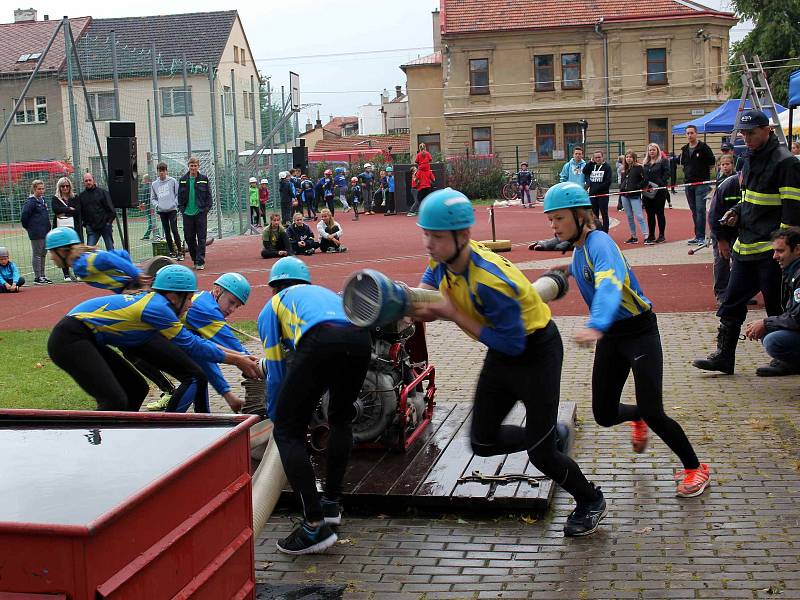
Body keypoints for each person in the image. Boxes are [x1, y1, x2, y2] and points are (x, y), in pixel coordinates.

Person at [409, 187, 607, 537]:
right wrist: (414, 306)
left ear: (463, 236)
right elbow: (428, 288)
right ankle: (549, 434)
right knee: (482, 443)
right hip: (503, 354)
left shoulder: (490, 282)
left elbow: (511, 343)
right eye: (425, 234)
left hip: (534, 352)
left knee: (541, 455)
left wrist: (451, 312)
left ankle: (590, 499)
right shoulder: (443, 257)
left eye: (436, 236)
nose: (428, 243)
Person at [544, 181, 711, 498]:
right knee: (604, 415)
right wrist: (565, 270)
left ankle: (695, 468)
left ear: (581, 215)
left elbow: (609, 285)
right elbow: (587, 268)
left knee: (656, 411)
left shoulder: (600, 242)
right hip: (612, 336)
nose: (553, 226)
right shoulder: (581, 249)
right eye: (550, 219)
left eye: (559, 218)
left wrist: (595, 323)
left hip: (639, 332)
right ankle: (638, 417)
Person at [258, 256, 372, 554]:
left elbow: (276, 368)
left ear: (274, 287)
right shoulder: (323, 293)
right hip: (361, 338)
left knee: (287, 432)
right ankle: (331, 503)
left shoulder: (274, 305)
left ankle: (313, 526)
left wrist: (277, 414)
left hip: (321, 340)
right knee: (340, 417)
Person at [48, 264, 260, 412]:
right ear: (173, 297)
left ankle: (122, 442)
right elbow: (194, 346)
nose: (191, 304)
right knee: (114, 400)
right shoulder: (158, 309)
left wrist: (238, 360)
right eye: (188, 298)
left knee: (137, 389)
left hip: (91, 338)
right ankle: (92, 447)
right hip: (71, 338)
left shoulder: (161, 304)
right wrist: (238, 359)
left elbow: (202, 350)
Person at [694, 110, 800, 375]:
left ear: (768, 131)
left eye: (751, 133)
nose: (746, 138)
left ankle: (785, 358)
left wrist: (785, 251)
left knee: (777, 305)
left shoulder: (786, 163)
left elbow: (792, 212)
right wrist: (736, 212)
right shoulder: (749, 159)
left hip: (770, 251)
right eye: (743, 133)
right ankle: (724, 356)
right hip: (745, 246)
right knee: (731, 303)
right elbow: (749, 198)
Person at [147, 272, 252, 412]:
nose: (232, 309)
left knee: (199, 370)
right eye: (231, 302)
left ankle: (203, 418)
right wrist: (263, 368)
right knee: (194, 377)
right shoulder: (207, 310)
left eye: (237, 306)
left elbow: (206, 357)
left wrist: (228, 395)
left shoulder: (205, 300)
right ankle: (169, 426)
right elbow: (236, 349)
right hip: (145, 343)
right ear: (217, 290)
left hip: (149, 343)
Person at [743, 227, 800, 376]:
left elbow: (797, 317)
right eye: (774, 251)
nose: (775, 256)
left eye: (780, 251)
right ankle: (791, 364)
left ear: (797, 250)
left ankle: (794, 364)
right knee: (766, 332)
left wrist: (766, 322)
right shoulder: (792, 270)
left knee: (773, 341)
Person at [45, 227, 145, 293]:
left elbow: (107, 258)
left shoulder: (82, 265)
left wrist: (137, 276)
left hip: (140, 287)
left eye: (52, 253)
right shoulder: (82, 261)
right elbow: (123, 254)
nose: (51, 257)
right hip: (134, 287)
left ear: (62, 251)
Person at [708, 156, 740, 305]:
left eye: (728, 164)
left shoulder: (750, 185)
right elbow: (713, 216)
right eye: (723, 165)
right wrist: (721, 240)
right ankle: (722, 293)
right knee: (722, 259)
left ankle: (739, 291)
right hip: (721, 227)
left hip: (739, 229)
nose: (725, 167)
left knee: (740, 260)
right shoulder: (725, 185)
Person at [679, 125, 716, 245]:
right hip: (688, 183)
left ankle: (701, 236)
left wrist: (703, 174)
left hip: (701, 183)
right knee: (694, 210)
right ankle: (697, 235)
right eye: (687, 133)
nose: (689, 135)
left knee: (700, 210)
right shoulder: (684, 149)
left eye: (691, 133)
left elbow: (711, 163)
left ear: (696, 133)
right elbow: (683, 165)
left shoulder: (703, 147)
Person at [178, 157, 212, 270]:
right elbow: (179, 196)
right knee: (189, 238)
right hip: (187, 214)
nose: (193, 168)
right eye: (191, 166)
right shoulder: (183, 179)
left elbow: (208, 195)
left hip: (200, 213)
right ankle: (194, 258)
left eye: (195, 165)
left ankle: (200, 261)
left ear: (198, 166)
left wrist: (206, 208)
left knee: (201, 238)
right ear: (189, 166)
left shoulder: (204, 179)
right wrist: (182, 209)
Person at [20, 179, 52, 285]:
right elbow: (24, 216)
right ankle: (37, 277)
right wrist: (30, 228)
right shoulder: (31, 202)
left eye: (43, 189)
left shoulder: (43, 200)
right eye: (39, 189)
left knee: (43, 253)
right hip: (36, 233)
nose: (41, 191)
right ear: (34, 189)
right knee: (37, 254)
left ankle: (42, 275)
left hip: (45, 232)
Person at [51, 176, 81, 281]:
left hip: (73, 229)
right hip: (60, 230)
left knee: (75, 251)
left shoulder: (75, 197)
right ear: (59, 187)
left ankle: (77, 273)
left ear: (70, 186)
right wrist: (68, 209)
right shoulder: (55, 198)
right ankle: (66, 274)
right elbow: (55, 209)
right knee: (62, 251)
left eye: (67, 186)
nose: (65, 188)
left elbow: (77, 211)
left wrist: (63, 212)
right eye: (62, 186)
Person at [151, 162, 183, 260]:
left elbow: (178, 194)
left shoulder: (172, 181)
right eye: (159, 171)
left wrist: (175, 203)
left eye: (163, 171)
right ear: (157, 172)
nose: (161, 173)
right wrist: (157, 205)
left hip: (172, 210)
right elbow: (153, 198)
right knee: (166, 231)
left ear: (166, 171)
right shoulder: (154, 184)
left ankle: (180, 251)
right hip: (162, 211)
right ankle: (172, 252)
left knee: (174, 229)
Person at [642, 143, 670, 244]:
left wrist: (660, 183)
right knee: (650, 214)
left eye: (653, 150)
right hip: (648, 191)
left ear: (657, 151)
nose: (652, 152)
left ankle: (661, 235)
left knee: (659, 213)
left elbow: (667, 173)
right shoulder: (645, 163)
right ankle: (651, 234)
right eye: (650, 150)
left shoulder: (663, 161)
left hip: (659, 191)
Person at [78, 173, 116, 250]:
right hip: (92, 229)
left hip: (105, 227)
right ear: (83, 183)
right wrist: (86, 224)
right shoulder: (81, 196)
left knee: (111, 251)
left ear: (93, 180)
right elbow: (81, 213)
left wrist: (108, 223)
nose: (88, 182)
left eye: (90, 180)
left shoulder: (103, 192)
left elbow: (111, 210)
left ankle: (113, 262)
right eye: (86, 181)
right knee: (89, 251)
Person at [619, 151, 648, 244]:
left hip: (634, 195)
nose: (628, 159)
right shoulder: (624, 169)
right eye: (627, 157)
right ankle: (633, 236)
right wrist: (622, 188)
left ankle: (646, 235)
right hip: (624, 195)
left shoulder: (639, 168)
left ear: (634, 158)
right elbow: (623, 181)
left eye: (630, 157)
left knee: (639, 216)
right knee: (629, 216)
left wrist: (637, 187)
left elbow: (645, 180)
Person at [582, 150, 612, 232]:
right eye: (596, 157)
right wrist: (590, 162)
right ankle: (596, 231)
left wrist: (598, 189)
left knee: (604, 214)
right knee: (594, 215)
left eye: (599, 157)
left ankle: (605, 231)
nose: (598, 159)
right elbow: (584, 171)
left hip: (603, 195)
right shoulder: (592, 166)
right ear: (593, 158)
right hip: (592, 195)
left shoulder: (607, 167)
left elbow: (608, 181)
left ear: (603, 157)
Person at [138, 174, 157, 241]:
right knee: (152, 220)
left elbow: (144, 198)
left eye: (144, 179)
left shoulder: (147, 186)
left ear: (146, 179)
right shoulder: (152, 185)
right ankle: (157, 234)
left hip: (149, 206)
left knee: (151, 221)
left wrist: (142, 204)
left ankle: (148, 235)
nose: (144, 180)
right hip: (152, 206)